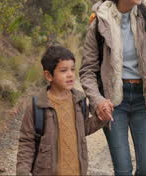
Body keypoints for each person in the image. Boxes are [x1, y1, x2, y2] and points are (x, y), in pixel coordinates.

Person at [79, 0, 146, 176]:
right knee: (123, 170)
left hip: (143, 100)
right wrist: (98, 101)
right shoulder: (99, 24)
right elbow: (87, 71)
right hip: (112, 103)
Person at [16, 45, 106, 175]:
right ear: (48, 75)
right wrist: (22, 171)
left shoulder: (79, 101)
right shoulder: (37, 105)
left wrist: (101, 118)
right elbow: (27, 142)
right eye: (63, 70)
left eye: (72, 69)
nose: (70, 75)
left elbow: (84, 128)